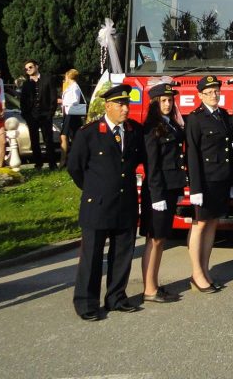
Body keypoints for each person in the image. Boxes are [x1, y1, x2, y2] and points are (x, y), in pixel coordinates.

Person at [67, 83, 146, 320]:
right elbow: (75, 167)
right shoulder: (89, 133)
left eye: (127, 104)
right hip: (98, 204)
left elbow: (137, 160)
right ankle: (86, 303)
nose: (125, 109)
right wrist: (94, 189)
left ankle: (116, 297)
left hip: (125, 202)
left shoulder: (134, 131)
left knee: (122, 253)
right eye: (120, 104)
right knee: (92, 257)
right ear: (108, 106)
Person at [185, 74, 233, 293]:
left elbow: (230, 150)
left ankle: (205, 270)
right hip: (205, 181)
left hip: (221, 179)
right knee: (199, 225)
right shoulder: (195, 119)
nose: (214, 95)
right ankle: (196, 273)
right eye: (209, 92)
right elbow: (192, 154)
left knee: (213, 223)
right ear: (200, 95)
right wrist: (195, 188)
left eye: (216, 91)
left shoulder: (223, 115)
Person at [139, 82, 185, 304]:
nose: (168, 104)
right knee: (154, 240)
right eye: (163, 101)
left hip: (170, 189)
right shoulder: (151, 128)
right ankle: (149, 289)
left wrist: (178, 190)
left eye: (170, 100)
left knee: (161, 239)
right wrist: (157, 196)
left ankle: (154, 284)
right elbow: (152, 166)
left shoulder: (171, 124)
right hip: (158, 192)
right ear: (154, 103)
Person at [19, 59, 58, 169]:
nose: (28, 70)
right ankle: (38, 163)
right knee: (34, 140)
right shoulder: (26, 84)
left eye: (30, 67)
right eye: (26, 69)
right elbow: (23, 101)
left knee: (48, 139)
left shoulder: (47, 79)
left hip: (46, 115)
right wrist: (26, 115)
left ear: (36, 66)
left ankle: (52, 163)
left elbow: (53, 97)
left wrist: (50, 113)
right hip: (32, 116)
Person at [58, 68, 85, 167]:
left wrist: (62, 101)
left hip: (71, 113)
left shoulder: (74, 87)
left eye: (66, 76)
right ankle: (74, 159)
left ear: (69, 76)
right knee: (73, 136)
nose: (65, 78)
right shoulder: (71, 86)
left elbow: (75, 101)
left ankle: (63, 160)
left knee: (64, 136)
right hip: (69, 113)